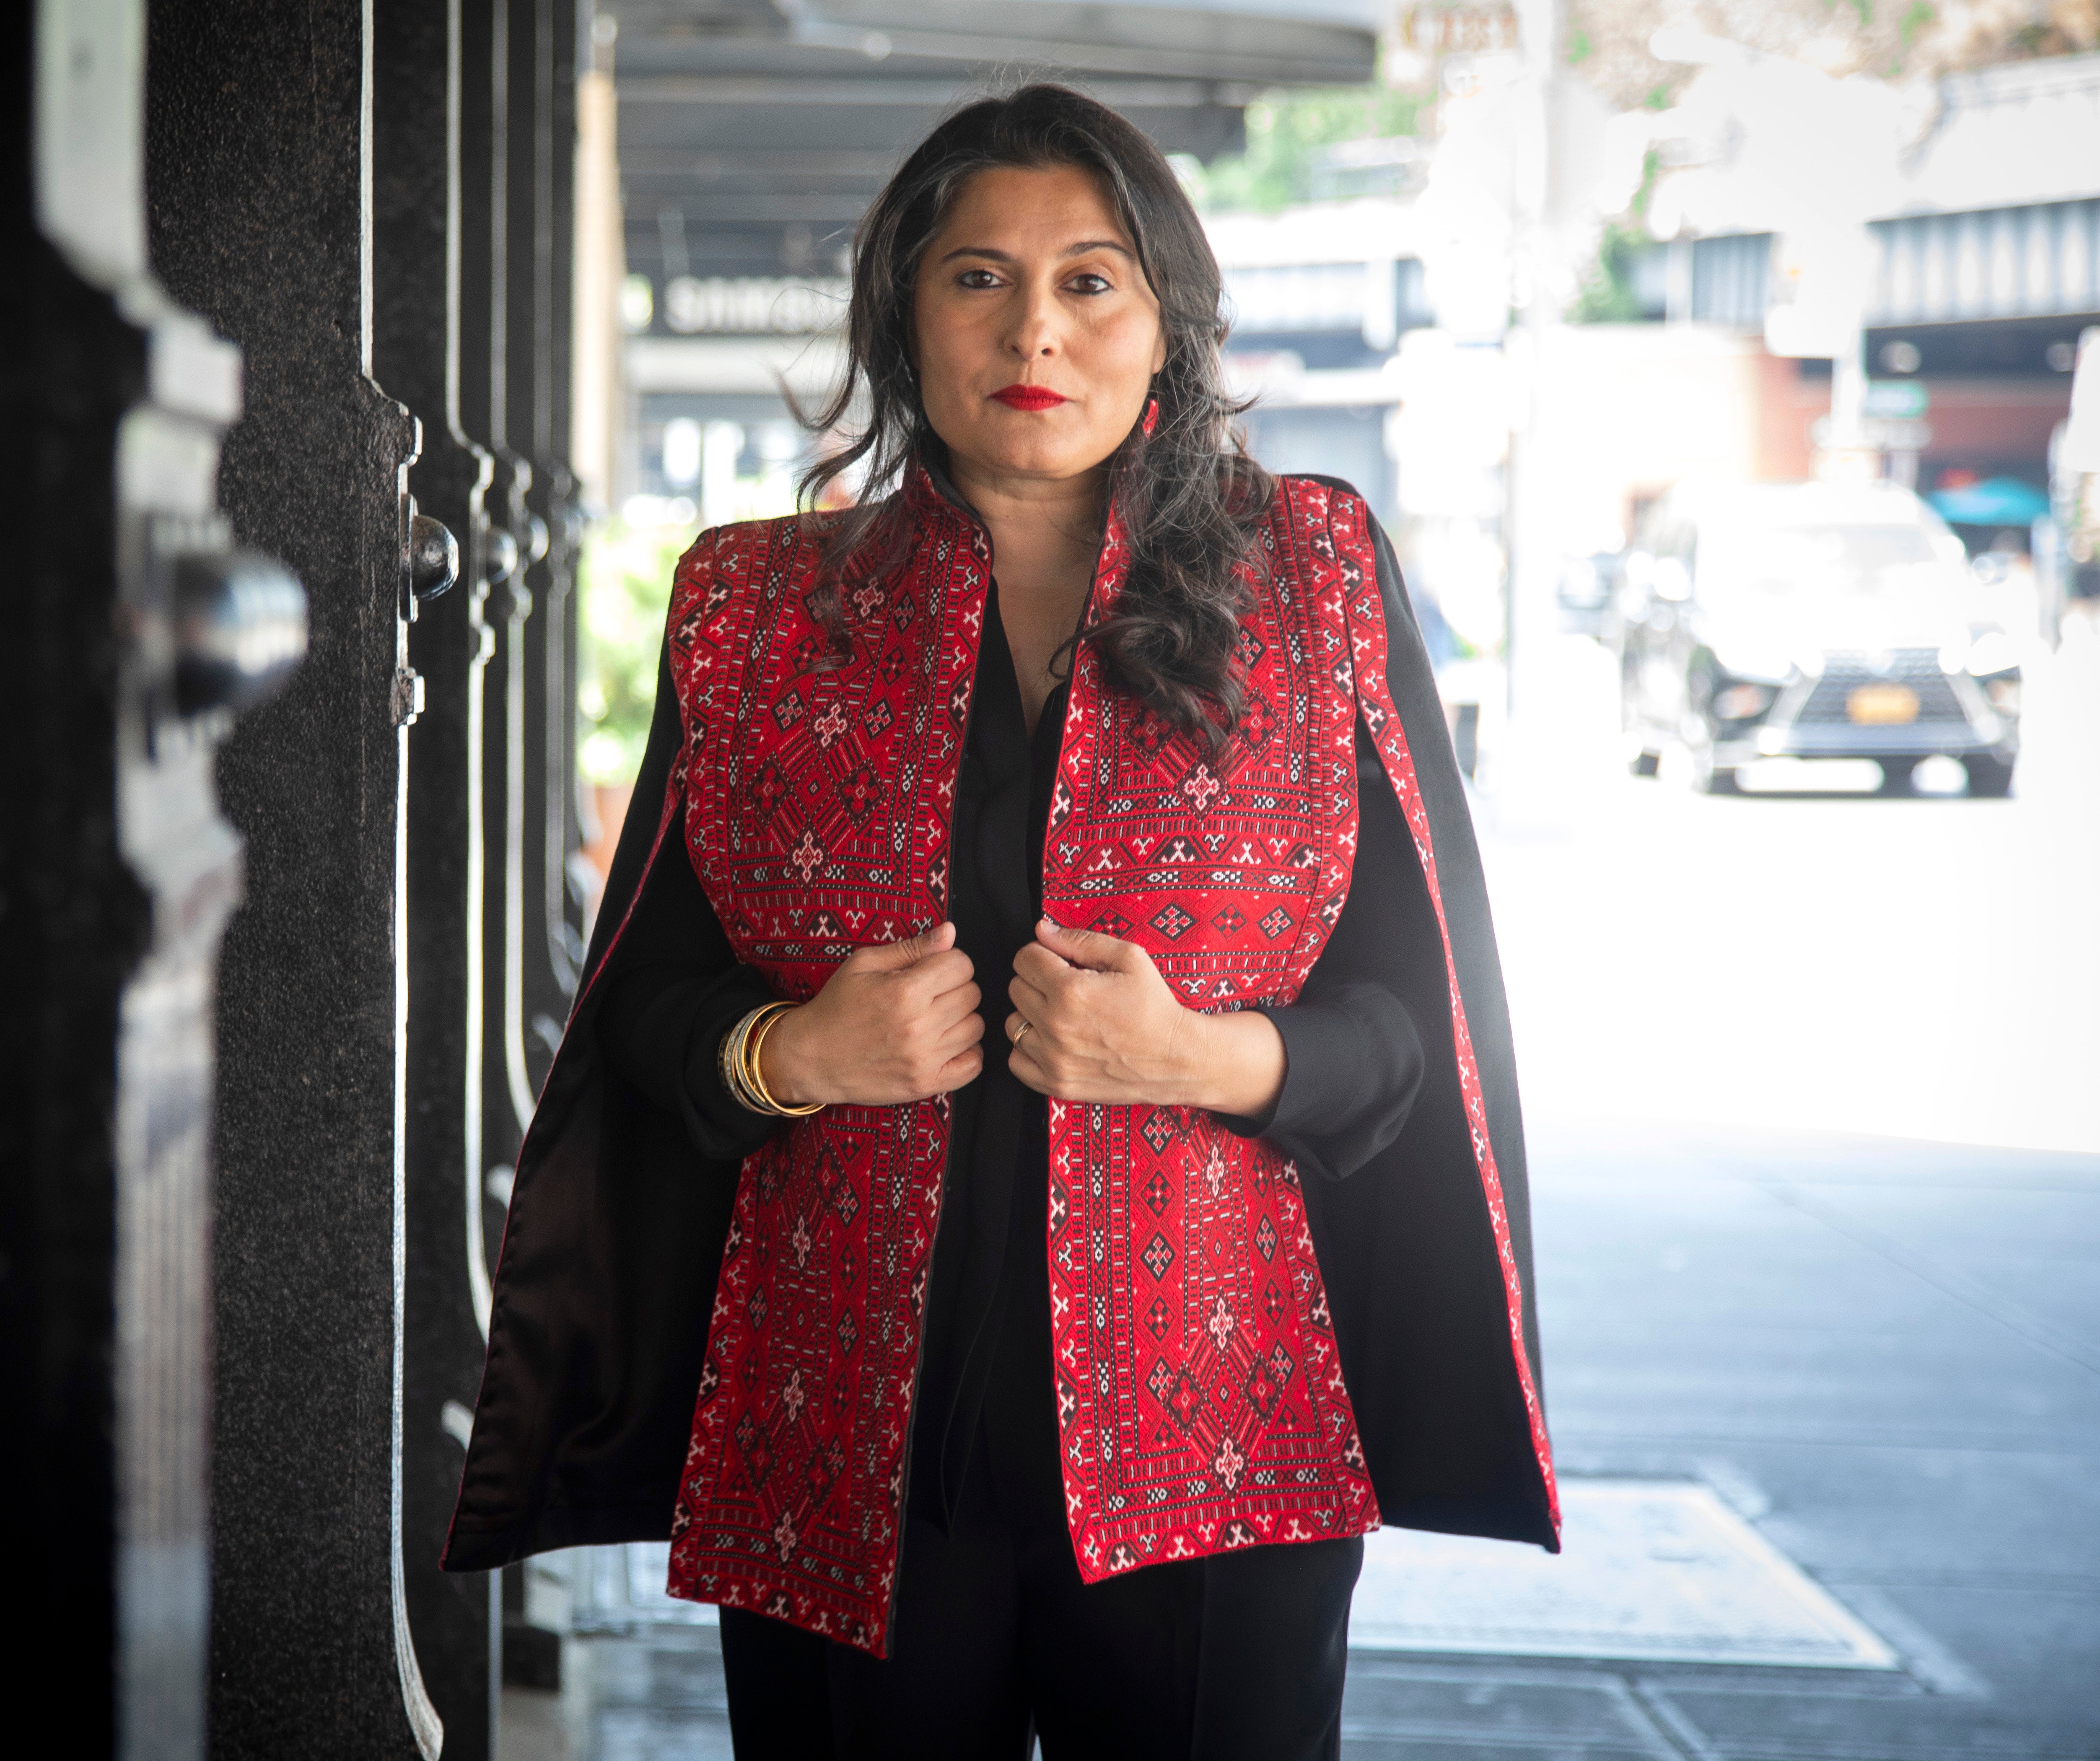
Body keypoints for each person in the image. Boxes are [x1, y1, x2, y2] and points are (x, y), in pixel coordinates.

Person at [445, 84, 1558, 1759]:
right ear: (903, 312)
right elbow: (645, 1009)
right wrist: (784, 1049)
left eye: (1089, 279)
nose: (1032, 326)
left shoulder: (1311, 579)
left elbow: (1421, 1030)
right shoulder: (754, 609)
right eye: (975, 276)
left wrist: (1209, 1053)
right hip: (843, 1449)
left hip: (1219, 1450)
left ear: (1168, 325)